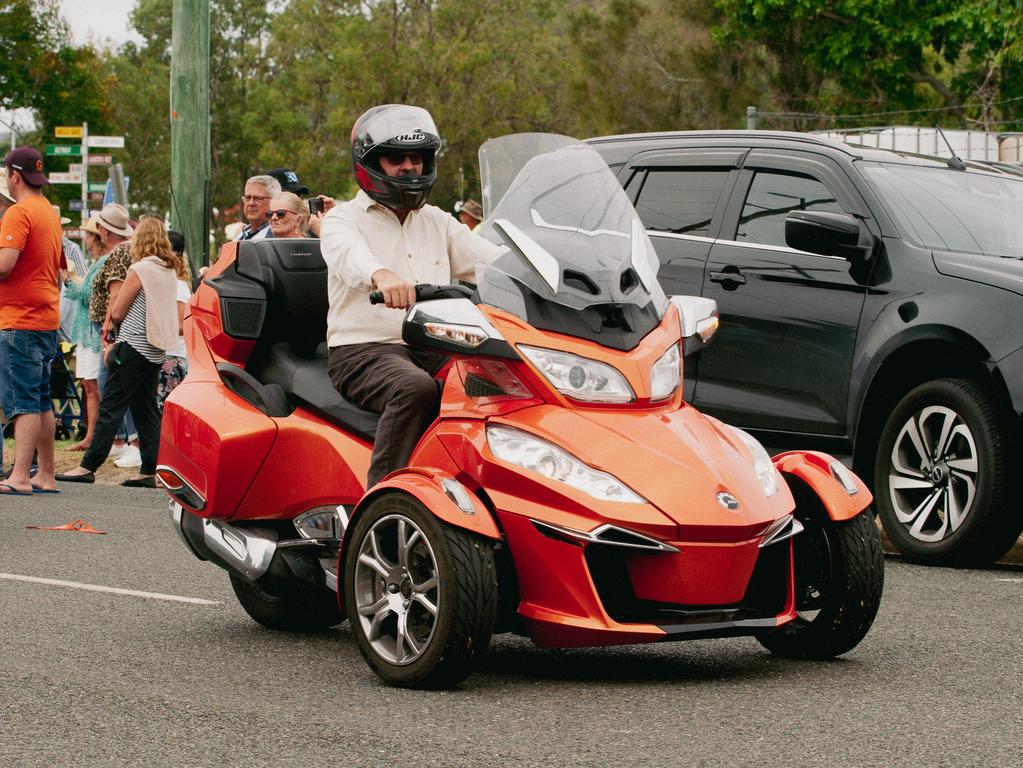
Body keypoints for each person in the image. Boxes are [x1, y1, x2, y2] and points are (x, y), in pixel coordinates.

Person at [320, 104, 501, 488]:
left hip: (433, 342)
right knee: (414, 388)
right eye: (395, 158)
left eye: (417, 158)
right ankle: (383, 500)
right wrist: (381, 275)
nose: (409, 167)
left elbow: (489, 260)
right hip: (363, 349)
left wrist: (543, 276)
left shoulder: (436, 220)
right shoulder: (343, 219)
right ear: (369, 163)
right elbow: (348, 255)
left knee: (498, 381)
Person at [57, 216, 182, 488]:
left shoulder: (140, 268)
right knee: (145, 409)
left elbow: (117, 310)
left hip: (132, 344)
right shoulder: (168, 269)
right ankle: (150, 468)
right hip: (155, 348)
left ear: (140, 239)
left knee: (111, 406)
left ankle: (87, 466)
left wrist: (110, 330)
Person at [0, 147, 62, 495]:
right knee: (40, 400)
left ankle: (20, 476)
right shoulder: (49, 212)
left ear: (14, 175)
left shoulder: (18, 212)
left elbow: (5, 264)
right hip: (45, 316)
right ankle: (46, 474)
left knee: (23, 401)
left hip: (18, 317)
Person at [90, 203, 140, 465]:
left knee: (113, 384)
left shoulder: (119, 254)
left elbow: (115, 295)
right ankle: (121, 439)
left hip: (114, 328)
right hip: (114, 327)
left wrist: (108, 330)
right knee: (109, 384)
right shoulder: (123, 252)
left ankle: (131, 440)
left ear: (104, 230)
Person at [62, 214, 108, 451]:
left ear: (96, 238)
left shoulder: (101, 263)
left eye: (88, 235)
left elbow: (91, 297)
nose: (85, 239)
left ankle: (93, 436)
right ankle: (92, 435)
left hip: (92, 333)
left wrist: (69, 281)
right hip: (87, 332)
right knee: (90, 386)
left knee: (93, 387)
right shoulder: (96, 262)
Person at [159, 230, 191, 410]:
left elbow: (182, 325)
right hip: (169, 354)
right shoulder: (173, 283)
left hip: (171, 355)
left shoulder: (177, 286)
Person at [235, 175, 282, 241]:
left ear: (274, 201)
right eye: (247, 198)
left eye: (258, 199)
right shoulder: (239, 236)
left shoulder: (279, 237)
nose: (251, 203)